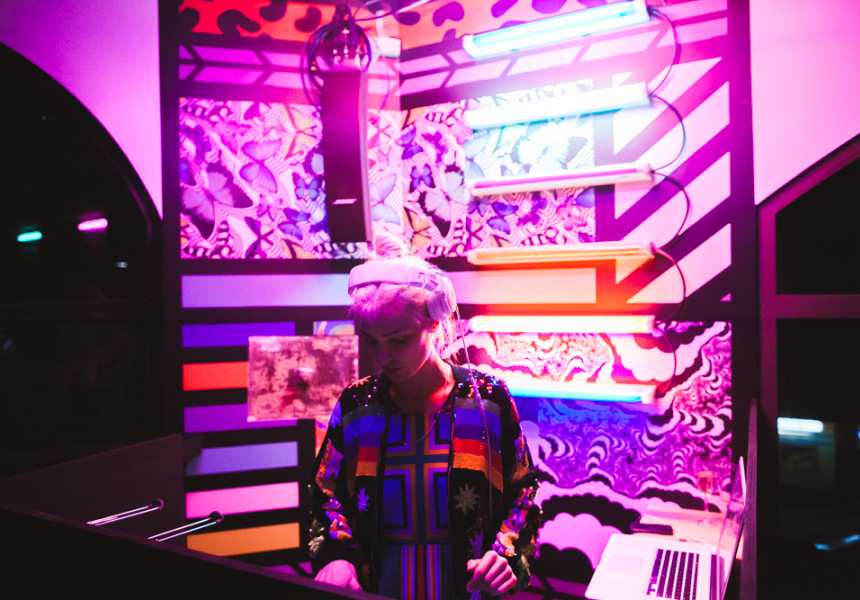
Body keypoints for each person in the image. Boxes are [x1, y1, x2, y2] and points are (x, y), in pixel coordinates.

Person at [309, 232, 541, 599]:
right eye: (371, 340)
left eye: (398, 339)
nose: (383, 357)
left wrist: (505, 556)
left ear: (434, 320)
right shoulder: (357, 405)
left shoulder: (487, 399)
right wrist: (336, 556)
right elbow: (325, 492)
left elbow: (522, 490)